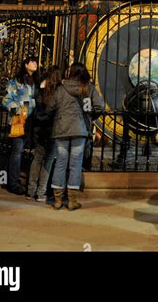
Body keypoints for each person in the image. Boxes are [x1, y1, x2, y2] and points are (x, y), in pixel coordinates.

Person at [45, 62, 102, 211]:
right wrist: (91, 117)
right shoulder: (88, 88)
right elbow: (99, 106)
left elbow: (50, 107)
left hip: (61, 129)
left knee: (61, 162)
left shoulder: (61, 88)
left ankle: (57, 199)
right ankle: (72, 200)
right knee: (75, 164)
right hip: (80, 129)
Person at [2, 56, 39, 195]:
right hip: (18, 119)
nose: (35, 64)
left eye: (36, 62)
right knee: (17, 151)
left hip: (31, 120)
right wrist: (18, 110)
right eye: (32, 61)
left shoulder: (35, 82)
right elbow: (6, 100)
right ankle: (13, 183)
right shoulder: (16, 81)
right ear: (25, 64)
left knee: (20, 150)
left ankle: (10, 179)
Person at [26, 65, 62, 202]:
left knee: (37, 158)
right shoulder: (58, 91)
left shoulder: (38, 88)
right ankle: (41, 192)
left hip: (38, 128)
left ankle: (30, 190)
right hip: (52, 129)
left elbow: (34, 106)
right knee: (48, 160)